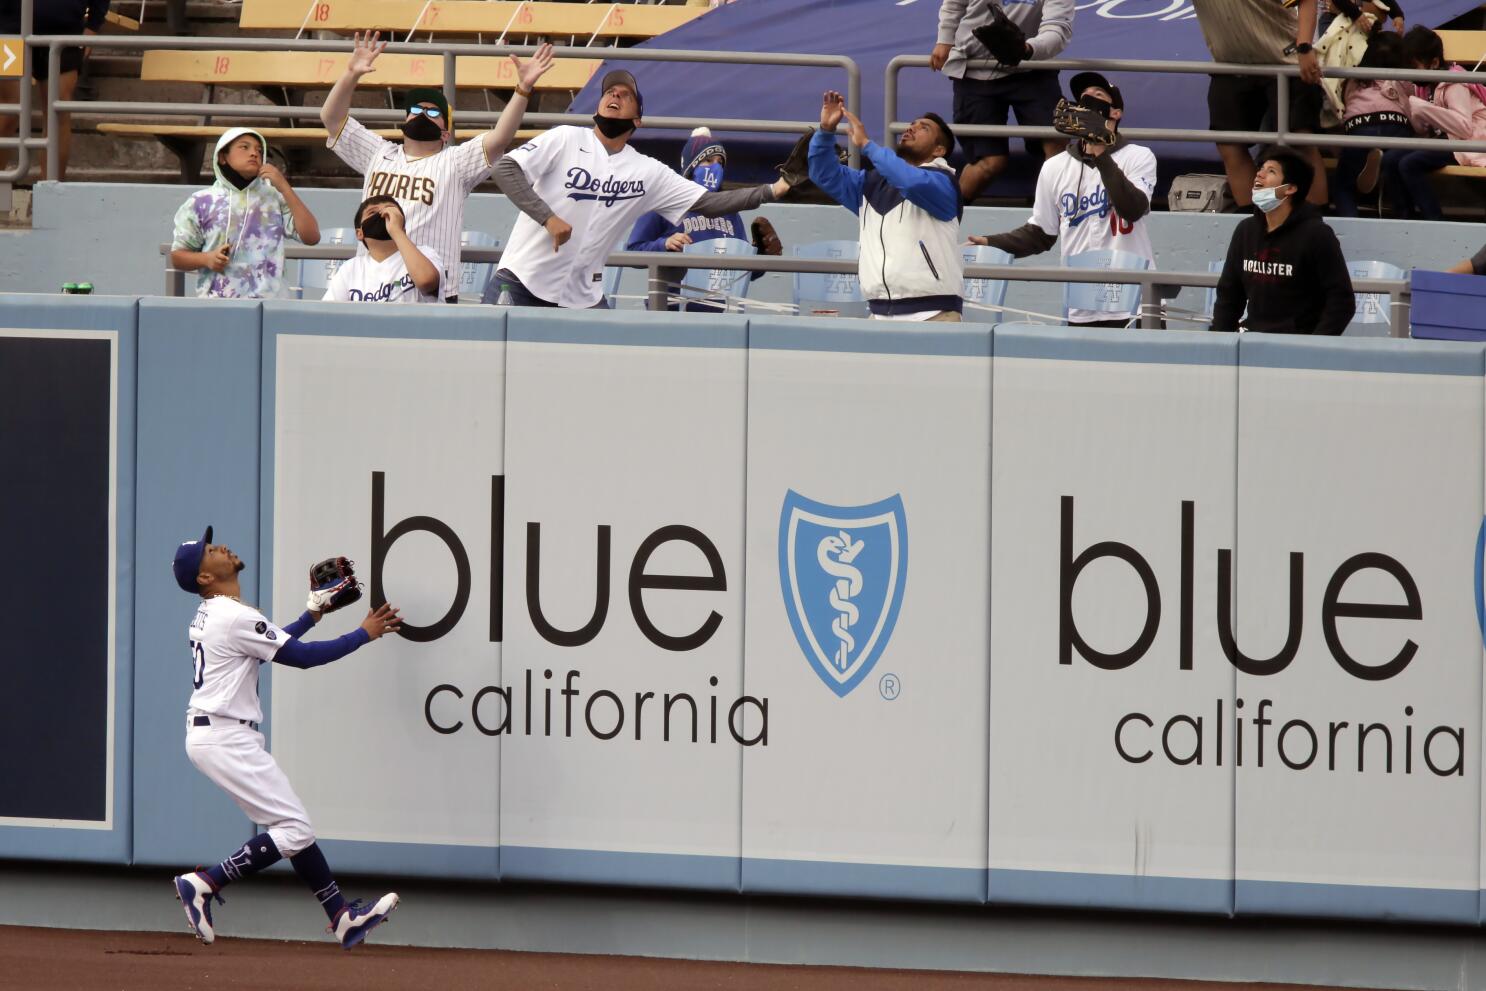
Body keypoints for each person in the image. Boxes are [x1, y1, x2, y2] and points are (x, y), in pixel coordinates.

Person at [169, 528, 404, 948]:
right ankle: (205, 882)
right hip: (224, 736)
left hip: (216, 734)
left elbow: (273, 643)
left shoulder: (220, 613)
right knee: (293, 828)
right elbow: (301, 657)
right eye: (209, 551)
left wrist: (311, 615)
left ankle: (341, 916)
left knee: (290, 827)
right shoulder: (232, 615)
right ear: (204, 577)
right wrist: (363, 633)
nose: (220, 546)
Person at [488, 69, 794, 309]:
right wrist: (547, 218)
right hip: (522, 282)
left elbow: (707, 203)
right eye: (609, 91)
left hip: (581, 297)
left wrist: (775, 188)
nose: (615, 95)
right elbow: (504, 168)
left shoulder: (647, 170)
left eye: (625, 95)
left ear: (638, 119)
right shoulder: (564, 138)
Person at [320, 32, 554, 302]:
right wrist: (350, 74)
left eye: (433, 112)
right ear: (403, 122)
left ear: (445, 132)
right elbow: (332, 119)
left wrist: (523, 89)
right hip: (370, 288)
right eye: (416, 109)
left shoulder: (454, 161)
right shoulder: (379, 152)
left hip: (429, 290)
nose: (422, 114)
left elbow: (500, 137)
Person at [968, 72, 1156, 328]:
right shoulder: (1055, 167)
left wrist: (1100, 151)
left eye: (1098, 96)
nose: (1088, 101)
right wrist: (993, 243)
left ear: (1116, 113)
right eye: (1083, 98)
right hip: (1082, 303)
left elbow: (1132, 209)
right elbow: (1041, 233)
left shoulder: (1138, 156)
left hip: (1136, 301)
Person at [808, 90, 964, 321]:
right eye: (911, 124)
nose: (911, 128)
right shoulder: (871, 183)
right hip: (879, 314)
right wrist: (826, 131)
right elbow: (823, 174)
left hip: (935, 314)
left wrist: (867, 145)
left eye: (924, 128)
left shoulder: (943, 182)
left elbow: (911, 183)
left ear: (939, 150)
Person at [624, 126, 783, 312]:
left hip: (716, 313)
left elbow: (738, 274)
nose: (715, 167)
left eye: (719, 163)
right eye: (707, 160)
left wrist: (761, 258)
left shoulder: (730, 211)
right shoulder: (663, 201)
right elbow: (632, 253)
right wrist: (664, 244)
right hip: (669, 310)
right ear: (691, 166)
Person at [930, 0, 1074, 202]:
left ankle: (1050, 217)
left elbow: (1057, 29)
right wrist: (944, 39)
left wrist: (1025, 50)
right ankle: (944, 219)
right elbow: (954, 3)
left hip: (1032, 69)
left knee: (1056, 144)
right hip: (974, 68)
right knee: (989, 162)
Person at [1190, 0, 1329, 207]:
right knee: (1229, 144)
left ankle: (1315, 218)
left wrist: (1305, 46)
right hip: (1230, 63)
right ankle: (1252, 218)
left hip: (1284, 58)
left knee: (1300, 140)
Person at [1212, 147, 1355, 335]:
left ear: (1290, 188)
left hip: (1298, 347)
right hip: (1251, 341)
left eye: (1271, 171)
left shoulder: (1318, 235)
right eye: (1260, 168)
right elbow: (1229, 296)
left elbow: (1341, 301)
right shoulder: (1245, 230)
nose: (1259, 175)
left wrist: (1316, 347)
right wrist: (1220, 343)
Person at [170, 128, 321, 299]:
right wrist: (207, 259)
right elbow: (178, 257)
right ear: (222, 157)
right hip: (216, 306)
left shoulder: (274, 197)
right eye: (244, 147)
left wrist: (284, 187)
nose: (254, 154)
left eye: (259, 150)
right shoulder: (201, 201)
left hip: (271, 305)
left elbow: (312, 237)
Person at [0, 0, 108, 179]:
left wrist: (94, 24)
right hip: (9, 29)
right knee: (7, 111)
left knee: (58, 112)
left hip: (64, 28)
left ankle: (50, 195)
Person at [1382, 26, 1463, 220]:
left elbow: (1464, 127)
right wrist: (1403, 98)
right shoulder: (1423, 87)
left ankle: (1436, 222)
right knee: (1390, 159)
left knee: (1409, 164)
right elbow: (1421, 128)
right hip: (1438, 140)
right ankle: (1404, 220)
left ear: (1434, 63)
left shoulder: (1456, 82)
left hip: (1461, 143)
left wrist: (1425, 109)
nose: (1409, 74)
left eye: (1413, 66)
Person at [1332, 31, 1411, 216]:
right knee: (1397, 176)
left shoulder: (1354, 77)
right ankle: (1404, 221)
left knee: (1343, 185)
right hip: (1396, 125)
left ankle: (1352, 226)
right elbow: (1412, 105)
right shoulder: (1404, 77)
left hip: (1360, 126)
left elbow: (1345, 103)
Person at [324, 195, 443, 304]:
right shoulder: (350, 268)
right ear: (359, 233)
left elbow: (426, 281)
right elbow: (327, 315)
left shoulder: (425, 253)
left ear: (403, 228)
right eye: (373, 212)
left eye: (391, 211)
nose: (383, 214)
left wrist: (396, 231)